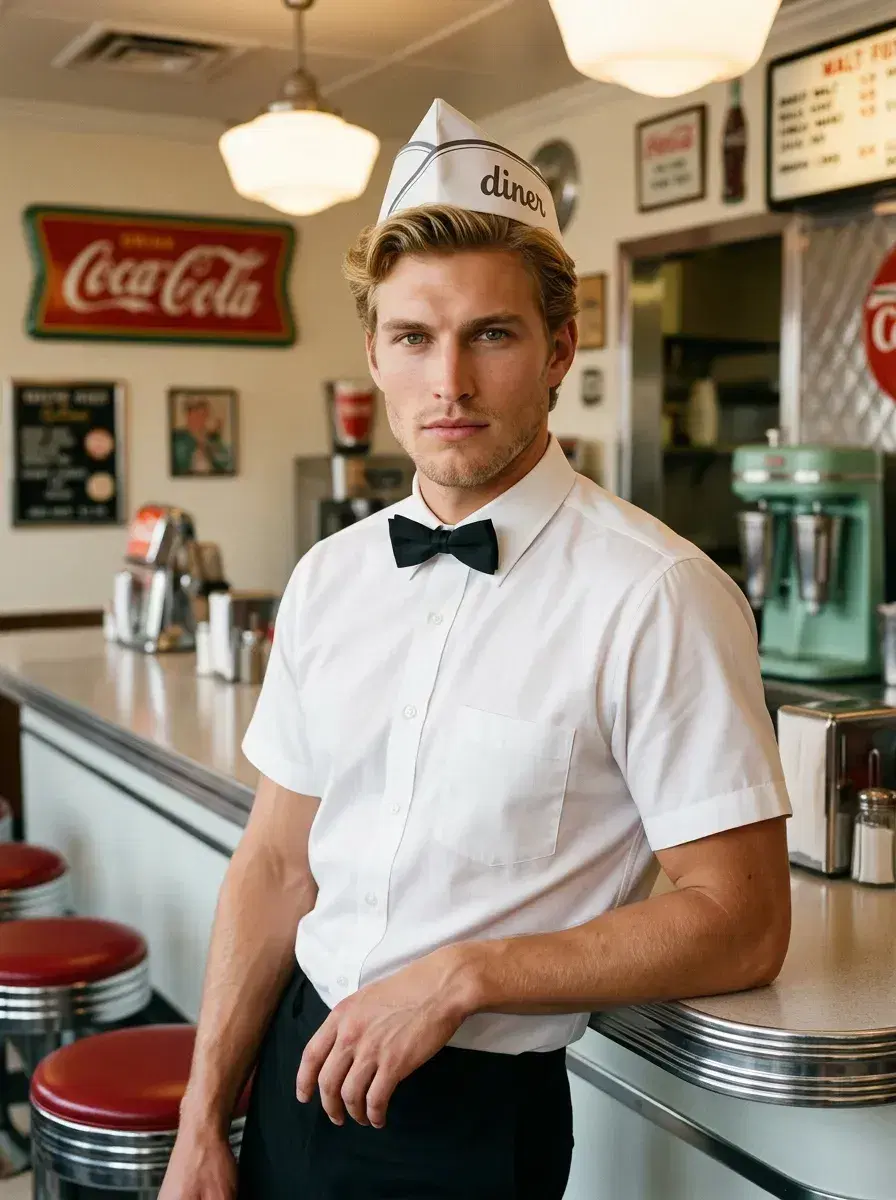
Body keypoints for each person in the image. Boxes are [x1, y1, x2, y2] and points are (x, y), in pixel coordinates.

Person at [159, 98, 791, 1200]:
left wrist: (465, 975)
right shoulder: (330, 577)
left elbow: (740, 920)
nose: (447, 382)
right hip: (290, 1067)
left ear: (559, 348)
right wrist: (200, 1115)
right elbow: (273, 866)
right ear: (373, 354)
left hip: (471, 1123)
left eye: (489, 334)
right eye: (413, 337)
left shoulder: (658, 593)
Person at [171, 397, 233, 475]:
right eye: (195, 415)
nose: (200, 419)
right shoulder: (177, 437)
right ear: (188, 415)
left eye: (203, 415)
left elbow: (225, 466)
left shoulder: (213, 438)